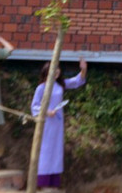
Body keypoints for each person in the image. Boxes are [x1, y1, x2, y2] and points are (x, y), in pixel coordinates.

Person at [31, 58, 87, 186]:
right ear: (46, 72)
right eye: (53, 69)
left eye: (57, 69)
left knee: (56, 150)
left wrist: (83, 69)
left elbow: (77, 81)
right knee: (45, 150)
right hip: (46, 124)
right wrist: (46, 111)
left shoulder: (60, 85)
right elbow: (34, 106)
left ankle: (54, 181)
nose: (56, 71)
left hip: (57, 123)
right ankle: (43, 182)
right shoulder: (41, 87)